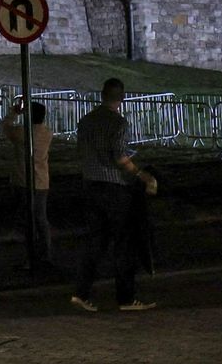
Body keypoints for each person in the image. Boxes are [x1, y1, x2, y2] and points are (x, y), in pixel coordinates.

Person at [71, 79, 158, 313]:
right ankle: (126, 297)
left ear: (102, 95)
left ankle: (81, 292)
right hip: (114, 187)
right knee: (124, 244)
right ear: (122, 97)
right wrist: (142, 175)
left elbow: (81, 151)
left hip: (90, 184)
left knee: (95, 242)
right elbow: (120, 157)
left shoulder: (86, 121)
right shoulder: (118, 123)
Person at [0, 100, 53, 266]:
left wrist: (14, 112)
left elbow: (5, 126)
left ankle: (32, 256)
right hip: (42, 180)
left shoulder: (23, 133)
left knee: (28, 220)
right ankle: (44, 254)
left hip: (24, 180)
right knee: (41, 219)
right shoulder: (46, 133)